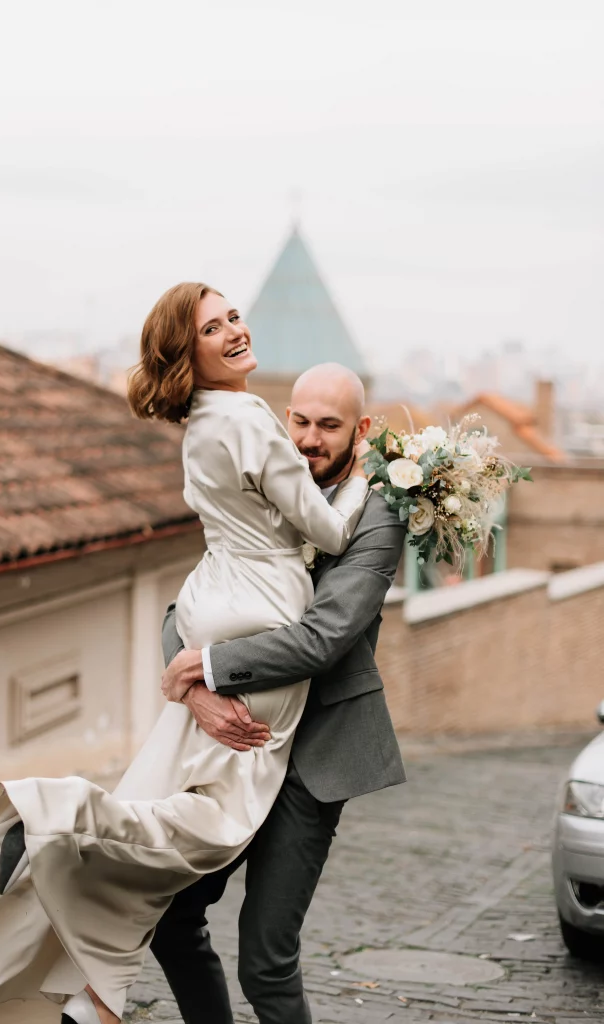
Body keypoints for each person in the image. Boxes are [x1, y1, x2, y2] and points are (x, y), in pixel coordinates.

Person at [0, 285, 369, 1024]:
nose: (233, 330)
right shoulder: (251, 418)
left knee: (157, 811)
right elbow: (326, 533)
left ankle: (96, 993)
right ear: (186, 353)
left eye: (231, 316)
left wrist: (194, 671)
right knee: (209, 825)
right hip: (260, 632)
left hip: (209, 615)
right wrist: (361, 484)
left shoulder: (197, 425)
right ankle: (59, 812)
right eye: (211, 327)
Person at [152, 363, 406, 1024]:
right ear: (281, 418)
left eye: (330, 426)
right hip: (235, 743)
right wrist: (197, 691)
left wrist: (204, 665)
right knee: (172, 919)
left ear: (361, 430)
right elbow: (187, 606)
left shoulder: (378, 516)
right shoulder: (262, 482)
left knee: (265, 960)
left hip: (311, 759)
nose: (310, 439)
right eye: (300, 421)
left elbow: (322, 639)